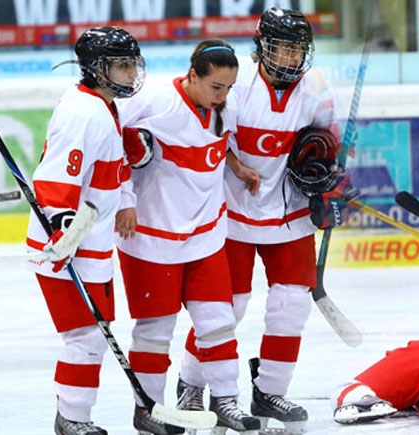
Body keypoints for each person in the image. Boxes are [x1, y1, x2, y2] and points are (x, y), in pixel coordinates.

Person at [173, 8, 355, 435]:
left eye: (298, 49)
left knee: (290, 308)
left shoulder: (316, 88)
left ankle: (269, 389)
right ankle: (190, 381)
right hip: (233, 212)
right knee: (225, 310)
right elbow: (211, 137)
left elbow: (328, 144)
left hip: (289, 212)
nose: (291, 58)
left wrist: (329, 177)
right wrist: (236, 166)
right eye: (283, 47)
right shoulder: (236, 88)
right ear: (263, 46)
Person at [114, 39, 260, 435]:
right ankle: (148, 410)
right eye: (216, 87)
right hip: (149, 237)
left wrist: (237, 167)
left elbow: (217, 144)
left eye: (229, 88)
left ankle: (226, 401)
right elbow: (112, 149)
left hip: (207, 234)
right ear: (192, 75)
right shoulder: (153, 100)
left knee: (218, 321)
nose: (223, 96)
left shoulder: (224, 106)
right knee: (154, 332)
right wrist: (124, 200)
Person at [23, 26, 145, 435]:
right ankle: (72, 420)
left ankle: (74, 417)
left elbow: (111, 167)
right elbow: (56, 180)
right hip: (65, 246)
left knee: (94, 335)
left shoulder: (102, 104)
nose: (132, 72)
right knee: (86, 338)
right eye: (122, 65)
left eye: (132, 63)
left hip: (92, 239)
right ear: (97, 68)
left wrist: (124, 200)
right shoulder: (83, 112)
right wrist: (62, 232)